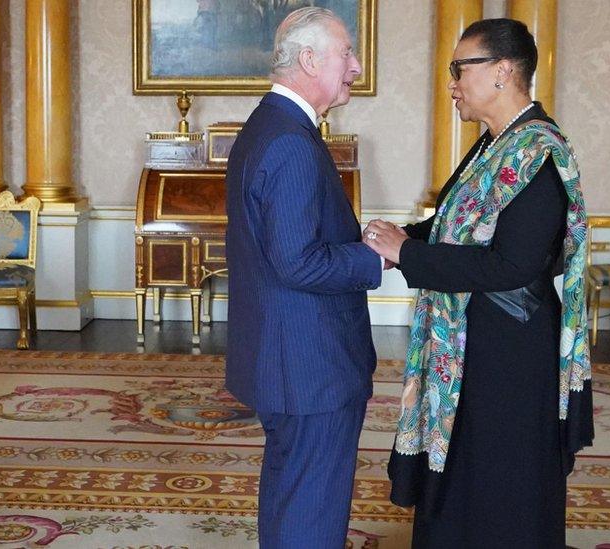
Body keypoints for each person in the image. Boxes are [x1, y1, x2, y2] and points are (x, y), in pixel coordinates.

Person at [363, 18, 595, 548]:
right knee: (466, 469)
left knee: (499, 479)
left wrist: (410, 254)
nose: (452, 84)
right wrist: (403, 240)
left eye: (459, 70)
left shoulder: (538, 152)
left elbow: (511, 266)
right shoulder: (493, 144)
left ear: (503, 72)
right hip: (476, 341)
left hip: (508, 350)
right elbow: (455, 228)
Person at [224, 7, 384, 549]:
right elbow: (297, 261)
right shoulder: (291, 141)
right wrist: (377, 259)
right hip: (310, 365)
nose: (356, 66)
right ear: (310, 59)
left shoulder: (271, 125)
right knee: (311, 507)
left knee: (292, 493)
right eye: (347, 54)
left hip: (288, 357)